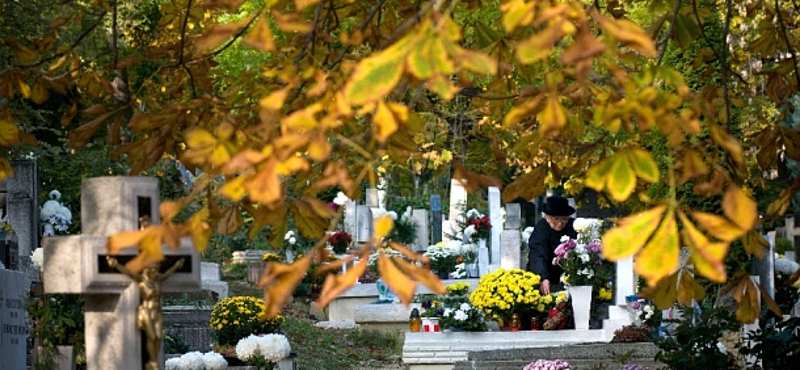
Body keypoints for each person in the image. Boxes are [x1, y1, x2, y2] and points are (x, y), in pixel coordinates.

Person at [107, 256, 184, 370]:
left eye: (157, 269)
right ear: (147, 269)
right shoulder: (141, 281)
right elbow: (128, 273)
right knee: (152, 337)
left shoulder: (157, 280)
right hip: (146, 311)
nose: (155, 271)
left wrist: (177, 266)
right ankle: (152, 362)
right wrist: (116, 265)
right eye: (153, 269)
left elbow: (168, 273)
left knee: (158, 337)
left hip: (156, 312)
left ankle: (153, 360)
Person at [527, 196, 577, 295]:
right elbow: (538, 255)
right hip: (546, 273)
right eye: (555, 219)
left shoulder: (572, 226)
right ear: (547, 217)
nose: (560, 223)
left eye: (563, 219)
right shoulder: (541, 230)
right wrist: (543, 277)